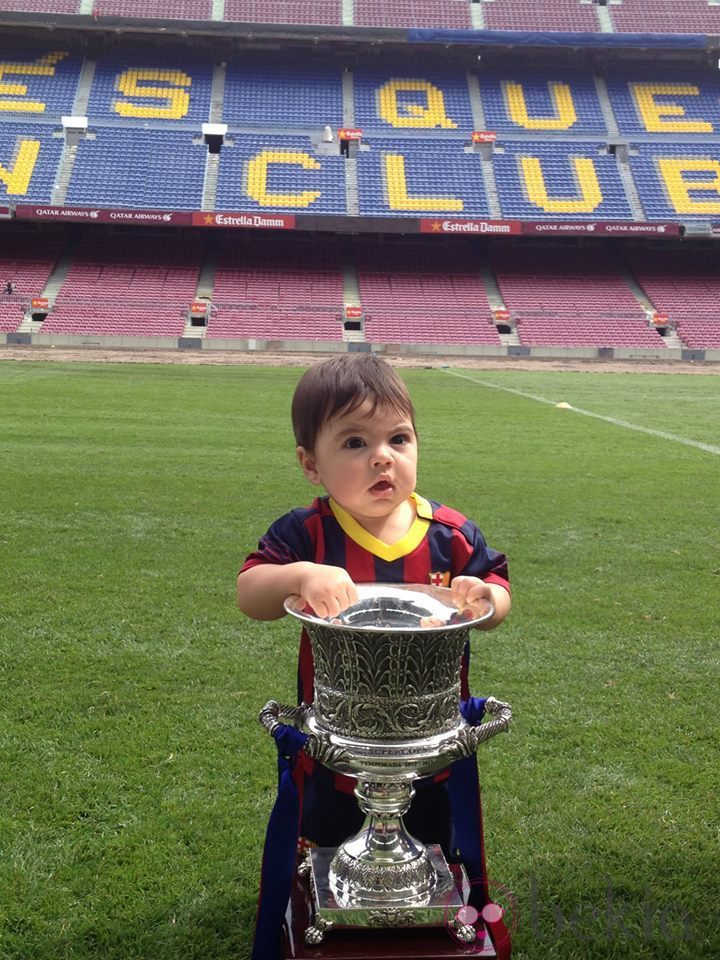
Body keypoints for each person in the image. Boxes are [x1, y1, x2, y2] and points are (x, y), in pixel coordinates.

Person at [238, 353, 511, 957]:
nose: (382, 456)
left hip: (430, 746)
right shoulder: (305, 534)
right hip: (336, 742)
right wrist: (300, 576)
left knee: (427, 851)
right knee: (332, 848)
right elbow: (249, 592)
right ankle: (332, 914)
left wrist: (482, 596)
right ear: (311, 463)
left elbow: (498, 600)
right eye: (355, 442)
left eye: (398, 438)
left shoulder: (451, 534)